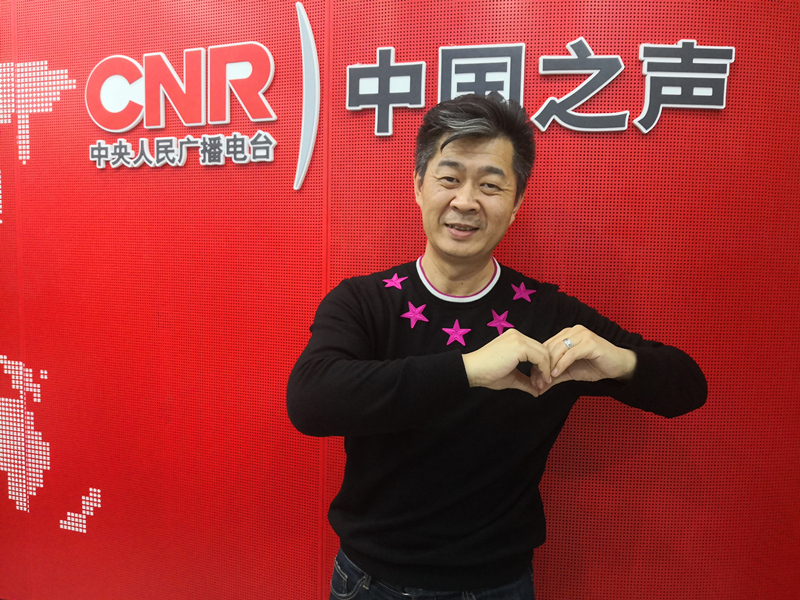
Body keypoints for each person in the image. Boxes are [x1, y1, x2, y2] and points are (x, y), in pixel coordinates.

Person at [286, 93, 707, 600]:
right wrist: (469, 368)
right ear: (418, 186)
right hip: (371, 580)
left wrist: (622, 363)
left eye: (490, 185)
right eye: (449, 178)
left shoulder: (548, 315)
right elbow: (310, 400)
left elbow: (688, 388)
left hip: (497, 584)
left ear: (516, 203)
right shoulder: (364, 301)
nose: (466, 201)